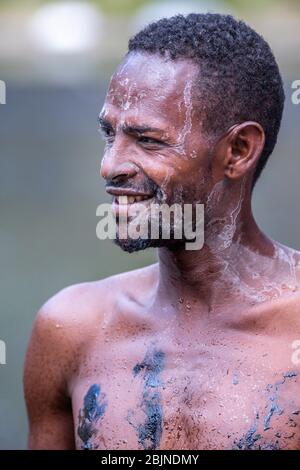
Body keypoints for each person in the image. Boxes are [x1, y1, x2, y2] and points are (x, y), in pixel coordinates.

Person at [24, 13, 300, 450]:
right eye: (108, 134)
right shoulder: (71, 330)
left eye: (148, 141)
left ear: (239, 150)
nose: (110, 166)